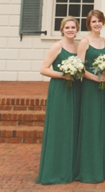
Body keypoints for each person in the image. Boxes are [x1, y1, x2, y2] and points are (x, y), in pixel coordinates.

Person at [36, 16, 82, 185]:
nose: (70, 30)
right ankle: (55, 170)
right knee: (60, 128)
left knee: (72, 127)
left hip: (76, 90)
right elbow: (43, 69)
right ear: (62, 29)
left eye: (73, 27)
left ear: (77, 29)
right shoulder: (57, 46)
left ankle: (69, 169)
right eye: (67, 27)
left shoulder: (78, 47)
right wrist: (63, 75)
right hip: (61, 91)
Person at [75, 10, 105, 184]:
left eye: (99, 21)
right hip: (91, 87)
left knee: (103, 123)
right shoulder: (84, 42)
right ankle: (89, 169)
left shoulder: (104, 41)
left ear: (103, 22)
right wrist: (95, 78)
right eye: (93, 21)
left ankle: (102, 166)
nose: (97, 24)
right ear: (88, 23)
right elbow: (79, 68)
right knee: (91, 125)